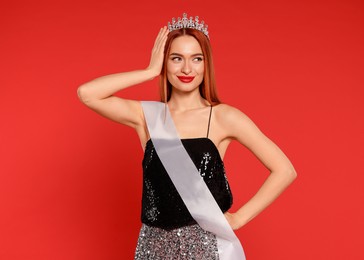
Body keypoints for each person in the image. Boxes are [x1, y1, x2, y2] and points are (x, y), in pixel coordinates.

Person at [77, 13, 297, 260]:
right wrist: (149, 71)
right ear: (164, 62)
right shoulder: (147, 116)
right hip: (154, 247)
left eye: (196, 59)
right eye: (176, 58)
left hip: (207, 248)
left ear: (206, 64)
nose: (186, 69)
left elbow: (285, 170)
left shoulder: (224, 117)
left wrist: (239, 218)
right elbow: (87, 93)